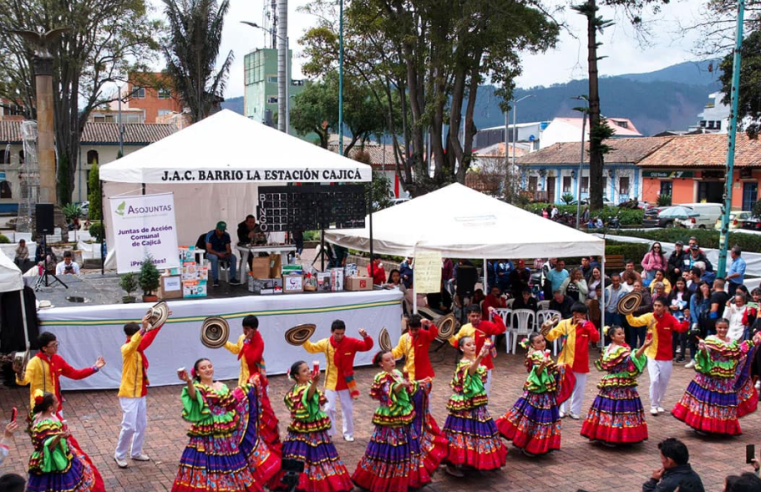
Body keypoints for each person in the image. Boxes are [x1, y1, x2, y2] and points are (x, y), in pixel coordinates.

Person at [352, 351, 443, 492]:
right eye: (387, 360)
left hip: (403, 414)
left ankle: (406, 478)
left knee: (407, 446)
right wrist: (402, 385)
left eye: (392, 359)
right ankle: (387, 480)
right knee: (390, 446)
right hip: (391, 417)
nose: (392, 362)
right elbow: (391, 390)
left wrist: (419, 384)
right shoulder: (380, 377)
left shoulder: (397, 373)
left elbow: (407, 389)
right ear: (381, 363)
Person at [171, 360, 260, 492]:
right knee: (205, 459)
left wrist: (249, 387)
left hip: (225, 431)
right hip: (208, 429)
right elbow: (194, 395)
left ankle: (228, 485)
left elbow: (232, 401)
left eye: (210, 366)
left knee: (229, 459)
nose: (208, 369)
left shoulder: (221, 385)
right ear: (197, 372)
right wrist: (188, 381)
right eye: (203, 368)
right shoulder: (198, 387)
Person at [272, 361, 353, 492]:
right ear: (297, 376)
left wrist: (313, 383)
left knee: (317, 454)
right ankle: (303, 483)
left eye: (308, 369)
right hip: (304, 427)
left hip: (313, 426)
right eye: (304, 371)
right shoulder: (299, 389)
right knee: (305, 455)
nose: (308, 372)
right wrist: (315, 382)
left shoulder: (307, 384)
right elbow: (308, 396)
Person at [672, 320, 761, 436]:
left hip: (725, 381)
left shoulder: (732, 342)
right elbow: (705, 355)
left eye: (725, 328)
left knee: (723, 403)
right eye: (720, 328)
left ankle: (721, 428)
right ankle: (704, 426)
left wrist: (752, 344)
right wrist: (703, 349)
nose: (722, 330)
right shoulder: (710, 340)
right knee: (709, 400)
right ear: (716, 327)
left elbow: (739, 353)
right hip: (710, 378)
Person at [497, 333, 573, 456]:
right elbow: (537, 371)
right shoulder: (536, 355)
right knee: (536, 416)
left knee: (530, 415)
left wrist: (557, 366)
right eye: (538, 342)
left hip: (543, 391)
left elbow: (549, 368)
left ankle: (532, 443)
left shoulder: (540, 353)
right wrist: (550, 365)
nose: (542, 343)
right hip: (538, 391)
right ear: (532, 344)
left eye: (543, 340)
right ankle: (532, 445)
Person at [442, 337, 506, 476]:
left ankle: (474, 461)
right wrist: (479, 358)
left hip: (477, 403)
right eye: (468, 345)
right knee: (462, 432)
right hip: (465, 404)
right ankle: (453, 463)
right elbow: (470, 372)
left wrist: (480, 358)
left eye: (473, 344)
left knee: (478, 431)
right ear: (461, 348)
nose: (472, 347)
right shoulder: (464, 363)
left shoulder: (474, 361)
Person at [302, 320, 374, 442]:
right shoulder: (325, 343)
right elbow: (311, 348)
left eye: (341, 333)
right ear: (332, 331)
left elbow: (367, 346)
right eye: (337, 333)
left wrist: (366, 336)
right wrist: (303, 338)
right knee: (328, 408)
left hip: (347, 382)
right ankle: (329, 432)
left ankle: (348, 433)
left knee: (348, 408)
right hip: (331, 381)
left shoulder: (351, 342)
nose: (339, 336)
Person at [581, 325, 651, 446]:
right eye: (619, 334)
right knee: (618, 406)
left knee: (610, 406)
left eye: (623, 333)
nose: (622, 335)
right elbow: (632, 360)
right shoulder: (620, 350)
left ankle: (607, 434)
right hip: (620, 381)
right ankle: (616, 436)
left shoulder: (609, 349)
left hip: (613, 381)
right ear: (612, 336)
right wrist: (644, 346)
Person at [114, 312, 166, 468]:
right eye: (138, 333)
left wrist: (161, 320)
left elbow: (149, 337)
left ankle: (135, 452)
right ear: (134, 334)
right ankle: (119, 454)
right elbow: (138, 341)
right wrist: (143, 330)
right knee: (129, 426)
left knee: (141, 425)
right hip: (129, 393)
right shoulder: (126, 348)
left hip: (140, 392)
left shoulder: (139, 346)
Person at [25, 391, 103, 492]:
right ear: (50, 408)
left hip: (50, 454)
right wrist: (60, 436)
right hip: (54, 459)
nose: (59, 403)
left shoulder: (36, 414)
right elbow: (48, 446)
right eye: (56, 402)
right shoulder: (46, 424)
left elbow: (32, 431)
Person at [14, 331, 105, 414]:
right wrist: (18, 373)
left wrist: (94, 368)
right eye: (53, 345)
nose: (56, 346)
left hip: (56, 406)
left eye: (56, 343)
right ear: (44, 348)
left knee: (60, 431)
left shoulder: (57, 359)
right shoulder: (34, 362)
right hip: (40, 407)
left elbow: (75, 374)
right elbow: (24, 381)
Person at [626, 298, 689, 416]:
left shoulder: (670, 318)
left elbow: (681, 328)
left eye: (659, 306)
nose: (656, 308)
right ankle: (653, 405)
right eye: (655, 305)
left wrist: (686, 319)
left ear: (665, 307)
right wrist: (628, 312)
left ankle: (659, 403)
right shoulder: (649, 317)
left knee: (663, 382)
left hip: (666, 356)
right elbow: (634, 322)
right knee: (654, 380)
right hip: (652, 355)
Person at [543, 302, 600, 419]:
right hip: (565, 361)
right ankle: (562, 410)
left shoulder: (587, 325)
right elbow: (551, 336)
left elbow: (596, 337)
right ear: (574, 314)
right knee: (563, 387)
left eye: (584, 315)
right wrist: (545, 329)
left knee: (579, 388)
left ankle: (575, 411)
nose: (582, 317)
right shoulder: (564, 324)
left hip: (581, 362)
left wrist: (586, 325)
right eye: (580, 314)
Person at [449, 305, 506, 395]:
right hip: (469, 363)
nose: (475, 318)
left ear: (481, 316)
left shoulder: (487, 325)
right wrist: (448, 335)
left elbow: (501, 329)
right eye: (473, 316)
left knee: (483, 392)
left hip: (484, 363)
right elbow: (456, 342)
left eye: (477, 316)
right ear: (468, 316)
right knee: (468, 391)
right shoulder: (465, 328)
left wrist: (495, 314)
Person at [392, 315, 438, 381]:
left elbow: (434, 334)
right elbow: (398, 351)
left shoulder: (424, 334)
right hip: (409, 373)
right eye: (411, 329)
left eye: (416, 330)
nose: (413, 332)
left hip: (423, 373)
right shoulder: (403, 338)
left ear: (420, 327)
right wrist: (390, 353)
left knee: (425, 391)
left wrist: (429, 324)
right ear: (409, 327)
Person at [224, 315, 266, 386]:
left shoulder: (259, 342)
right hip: (242, 379)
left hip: (253, 380)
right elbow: (236, 350)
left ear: (254, 329)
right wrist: (223, 342)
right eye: (243, 328)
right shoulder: (242, 337)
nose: (244, 331)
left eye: (247, 329)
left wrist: (247, 341)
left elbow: (250, 360)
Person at [205, 221, 240, 286]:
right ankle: (215, 280)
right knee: (214, 258)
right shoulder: (210, 235)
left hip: (222, 252)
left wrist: (228, 253)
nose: (222, 232)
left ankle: (232, 278)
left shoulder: (226, 235)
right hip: (212, 253)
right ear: (216, 228)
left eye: (223, 230)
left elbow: (228, 248)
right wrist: (218, 254)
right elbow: (209, 249)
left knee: (233, 257)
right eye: (221, 230)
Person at [686, 281, 712, 368]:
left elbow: (706, 308)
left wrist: (705, 297)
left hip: (706, 322)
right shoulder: (694, 296)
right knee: (692, 340)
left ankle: (702, 360)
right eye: (702, 286)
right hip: (695, 321)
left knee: (704, 341)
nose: (704, 288)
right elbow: (692, 309)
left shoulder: (710, 298)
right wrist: (695, 321)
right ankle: (693, 359)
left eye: (706, 286)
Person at [668, 278, 692, 362]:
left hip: (683, 317)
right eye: (678, 283)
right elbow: (668, 303)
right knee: (674, 336)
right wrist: (670, 307)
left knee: (682, 336)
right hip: (674, 316)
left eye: (681, 284)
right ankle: (673, 353)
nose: (680, 285)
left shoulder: (688, 293)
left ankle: (682, 354)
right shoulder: (673, 292)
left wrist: (680, 308)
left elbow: (689, 305)